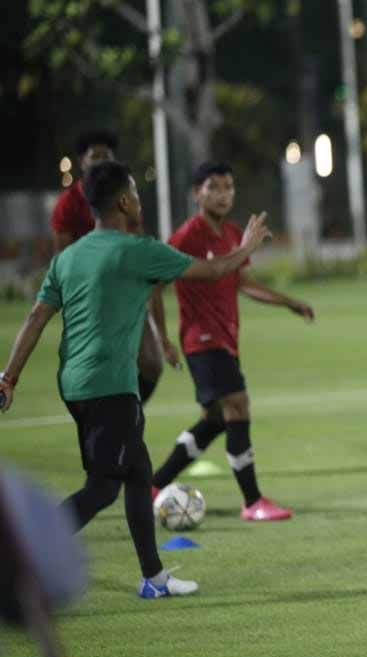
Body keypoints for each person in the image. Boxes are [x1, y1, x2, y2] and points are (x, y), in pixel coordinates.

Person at [0, 159, 271, 597]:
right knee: (102, 489)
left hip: (76, 383)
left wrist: (9, 377)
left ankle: (154, 577)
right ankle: (23, 553)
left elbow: (36, 317)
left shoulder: (68, 257)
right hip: (108, 385)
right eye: (136, 193)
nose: (139, 201)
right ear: (124, 201)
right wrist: (247, 246)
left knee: (138, 471)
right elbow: (216, 270)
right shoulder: (137, 249)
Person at [149, 162, 305, 522]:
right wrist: (164, 340)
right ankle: (252, 502)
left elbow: (244, 283)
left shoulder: (233, 232)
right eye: (214, 187)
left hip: (226, 339)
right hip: (201, 340)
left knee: (216, 419)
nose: (223, 195)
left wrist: (288, 302)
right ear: (196, 194)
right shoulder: (187, 235)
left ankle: (154, 486)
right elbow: (154, 282)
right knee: (238, 403)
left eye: (229, 187)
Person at [50, 129, 168, 404]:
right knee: (102, 369)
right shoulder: (68, 204)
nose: (102, 161)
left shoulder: (125, 198)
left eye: (107, 156)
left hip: (125, 289)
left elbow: (139, 244)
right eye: (96, 156)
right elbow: (62, 258)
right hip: (90, 296)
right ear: (82, 162)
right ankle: (111, 425)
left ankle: (126, 417)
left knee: (151, 364)